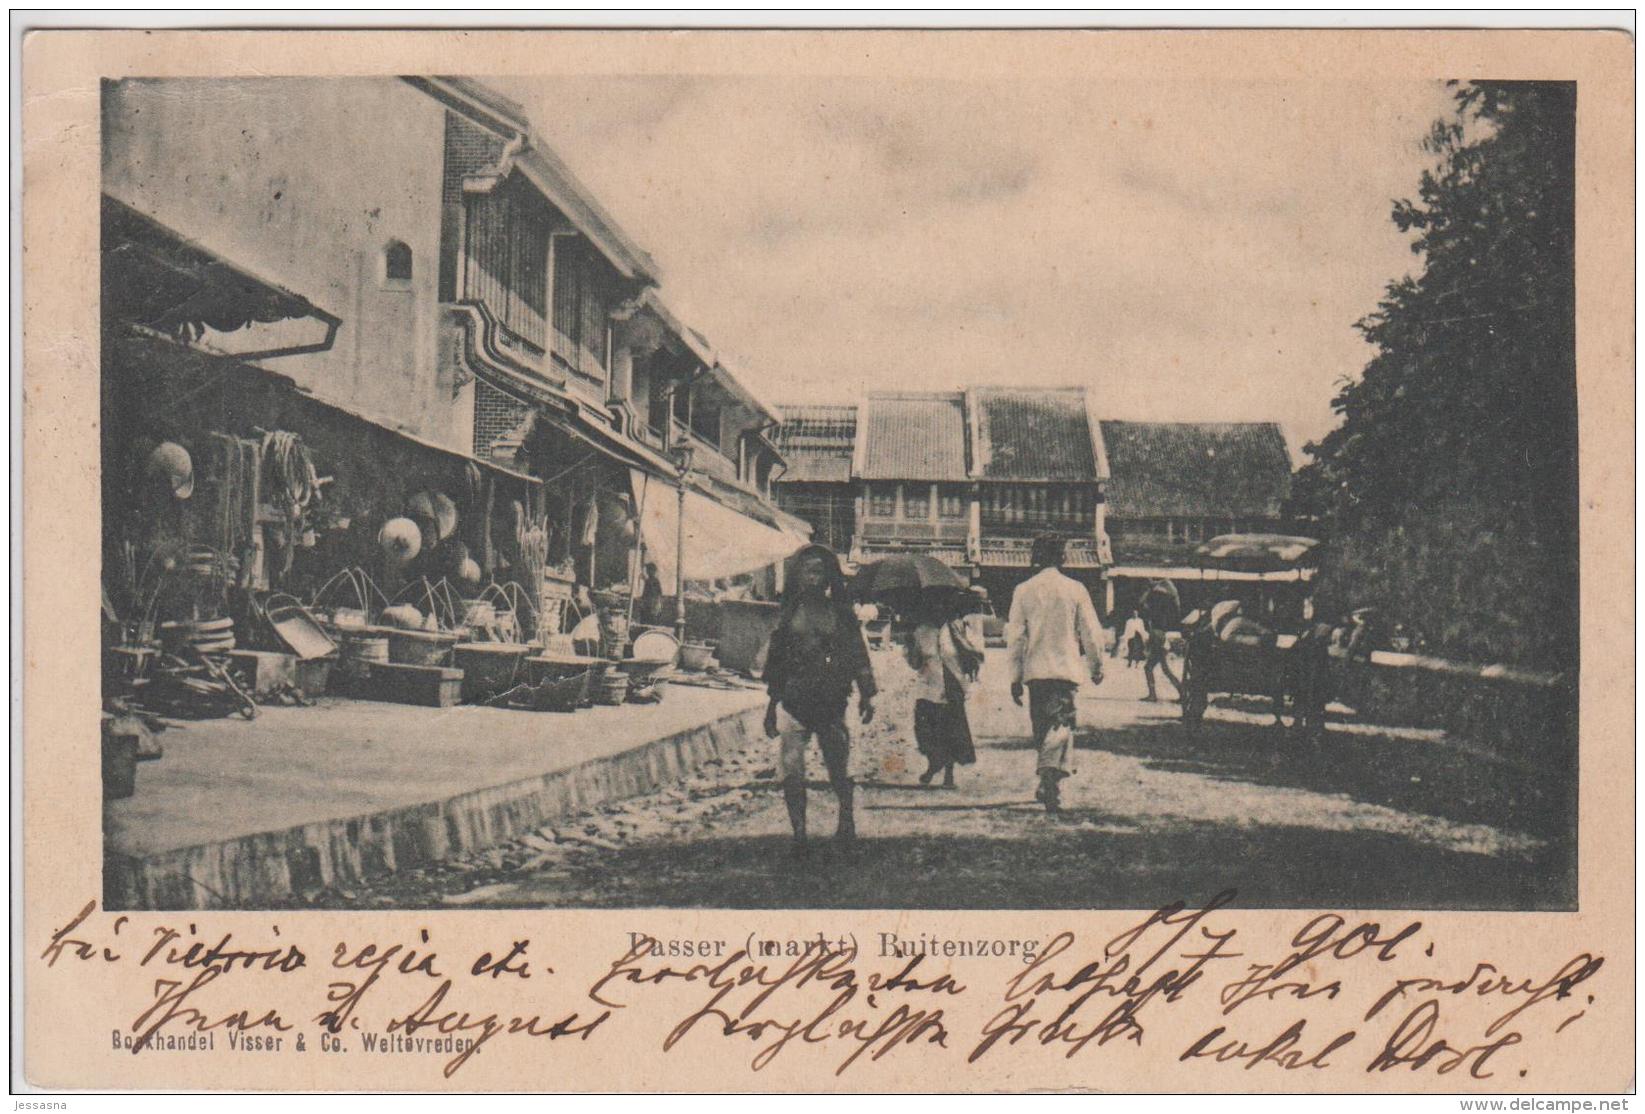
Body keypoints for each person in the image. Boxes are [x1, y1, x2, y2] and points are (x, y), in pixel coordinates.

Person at [762, 544, 877, 853]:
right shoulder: (789, 616)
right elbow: (776, 662)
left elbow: (858, 655)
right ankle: (799, 831)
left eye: (818, 571)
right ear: (798, 576)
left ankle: (846, 818)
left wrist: (867, 694)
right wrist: (771, 705)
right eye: (806, 571)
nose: (812, 578)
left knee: (838, 767)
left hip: (831, 701)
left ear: (828, 577)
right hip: (794, 699)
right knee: (791, 769)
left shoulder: (840, 615)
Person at [1006, 535, 1107, 813]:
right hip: (1065, 671)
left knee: (1043, 728)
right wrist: (1097, 666)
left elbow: (1015, 638)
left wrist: (1014, 676)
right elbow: (1091, 632)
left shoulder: (1023, 590)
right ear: (1062, 556)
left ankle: (1049, 783)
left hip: (1036, 673)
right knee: (1061, 727)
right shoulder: (1075, 589)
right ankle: (1051, 783)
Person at [902, 595, 983, 789]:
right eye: (934, 606)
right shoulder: (921, 632)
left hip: (953, 687)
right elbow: (915, 664)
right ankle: (934, 763)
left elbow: (975, 652)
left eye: (943, 606)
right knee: (925, 733)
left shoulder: (957, 629)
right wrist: (910, 645)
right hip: (928, 688)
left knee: (951, 733)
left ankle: (949, 774)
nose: (938, 610)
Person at [1141, 580, 1183, 703]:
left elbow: (1142, 603)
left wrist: (1148, 592)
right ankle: (1181, 691)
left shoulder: (1155, 612)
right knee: (1164, 669)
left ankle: (1153, 695)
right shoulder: (1161, 611)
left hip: (1157, 636)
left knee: (1150, 668)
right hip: (1159, 636)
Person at [636, 561, 664, 625]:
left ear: (653, 571)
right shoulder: (649, 581)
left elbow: (657, 594)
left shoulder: (654, 581)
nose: (647, 572)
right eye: (647, 571)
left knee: (650, 621)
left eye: (649, 570)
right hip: (648, 605)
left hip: (652, 605)